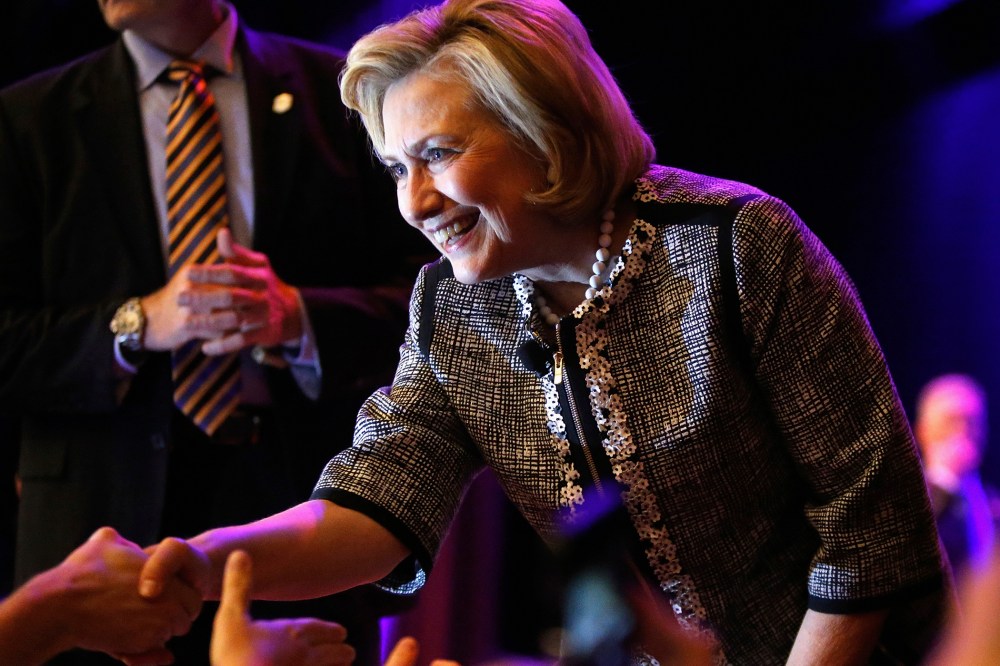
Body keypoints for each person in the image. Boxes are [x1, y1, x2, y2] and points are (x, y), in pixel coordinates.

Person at [133, 0, 950, 663]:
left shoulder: (736, 243)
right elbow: (373, 504)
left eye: (439, 154)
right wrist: (206, 563)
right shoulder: (450, 309)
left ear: (544, 131)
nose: (413, 203)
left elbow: (871, 523)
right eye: (395, 169)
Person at [0, 0, 426, 663]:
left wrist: (300, 318)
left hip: (303, 507)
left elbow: (440, 298)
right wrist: (136, 322)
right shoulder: (26, 118)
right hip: (98, 522)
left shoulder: (345, 91)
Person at [914, 373, 999, 576]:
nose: (963, 431)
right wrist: (946, 479)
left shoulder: (992, 505)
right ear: (922, 431)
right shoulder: (907, 498)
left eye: (972, 422)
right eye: (951, 420)